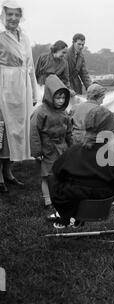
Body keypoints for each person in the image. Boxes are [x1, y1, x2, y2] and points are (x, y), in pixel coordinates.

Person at [49, 107, 114, 229]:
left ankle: (66, 215)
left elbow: (56, 171)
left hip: (71, 199)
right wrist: (112, 195)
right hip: (102, 201)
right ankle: (74, 217)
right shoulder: (110, 156)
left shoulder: (73, 151)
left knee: (54, 178)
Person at [0, 0, 38, 193]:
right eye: (9, 15)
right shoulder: (0, 36)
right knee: (2, 130)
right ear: (3, 15)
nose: (13, 18)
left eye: (16, 15)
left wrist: (33, 90)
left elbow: (30, 67)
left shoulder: (25, 38)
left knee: (14, 133)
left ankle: (8, 172)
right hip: (4, 90)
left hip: (21, 91)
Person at [30, 75, 73, 217]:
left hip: (62, 146)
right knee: (46, 175)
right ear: (49, 95)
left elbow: (68, 131)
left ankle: (61, 196)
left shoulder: (63, 111)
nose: (61, 101)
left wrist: (71, 146)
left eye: (63, 97)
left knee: (60, 173)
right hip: (47, 148)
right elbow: (34, 131)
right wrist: (37, 151)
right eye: (57, 97)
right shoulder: (40, 111)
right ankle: (48, 201)